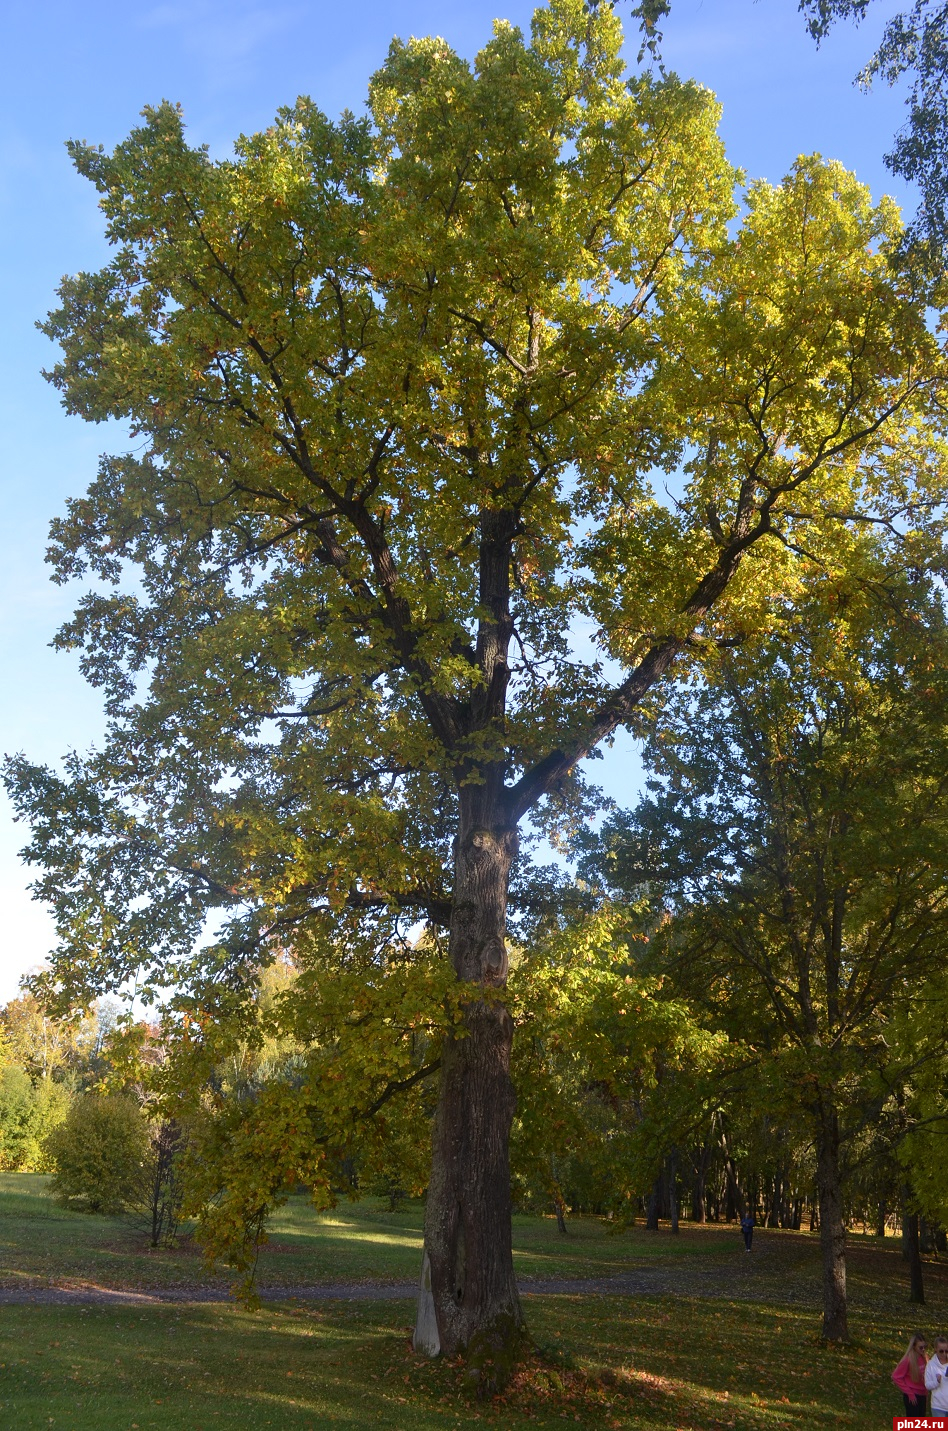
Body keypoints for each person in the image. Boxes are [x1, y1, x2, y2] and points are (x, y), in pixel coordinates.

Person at [892, 1332, 928, 1415]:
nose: (923, 1349)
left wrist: (926, 1393)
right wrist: (909, 1393)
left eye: (924, 1347)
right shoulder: (908, 1360)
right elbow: (896, 1376)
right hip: (912, 1395)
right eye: (920, 1347)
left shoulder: (925, 1358)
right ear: (914, 1347)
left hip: (922, 1394)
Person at [925, 1335, 948, 1419]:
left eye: (947, 1351)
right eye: (941, 1351)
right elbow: (927, 1385)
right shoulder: (931, 1365)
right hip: (938, 1406)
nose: (944, 1354)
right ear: (936, 1349)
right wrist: (937, 1382)